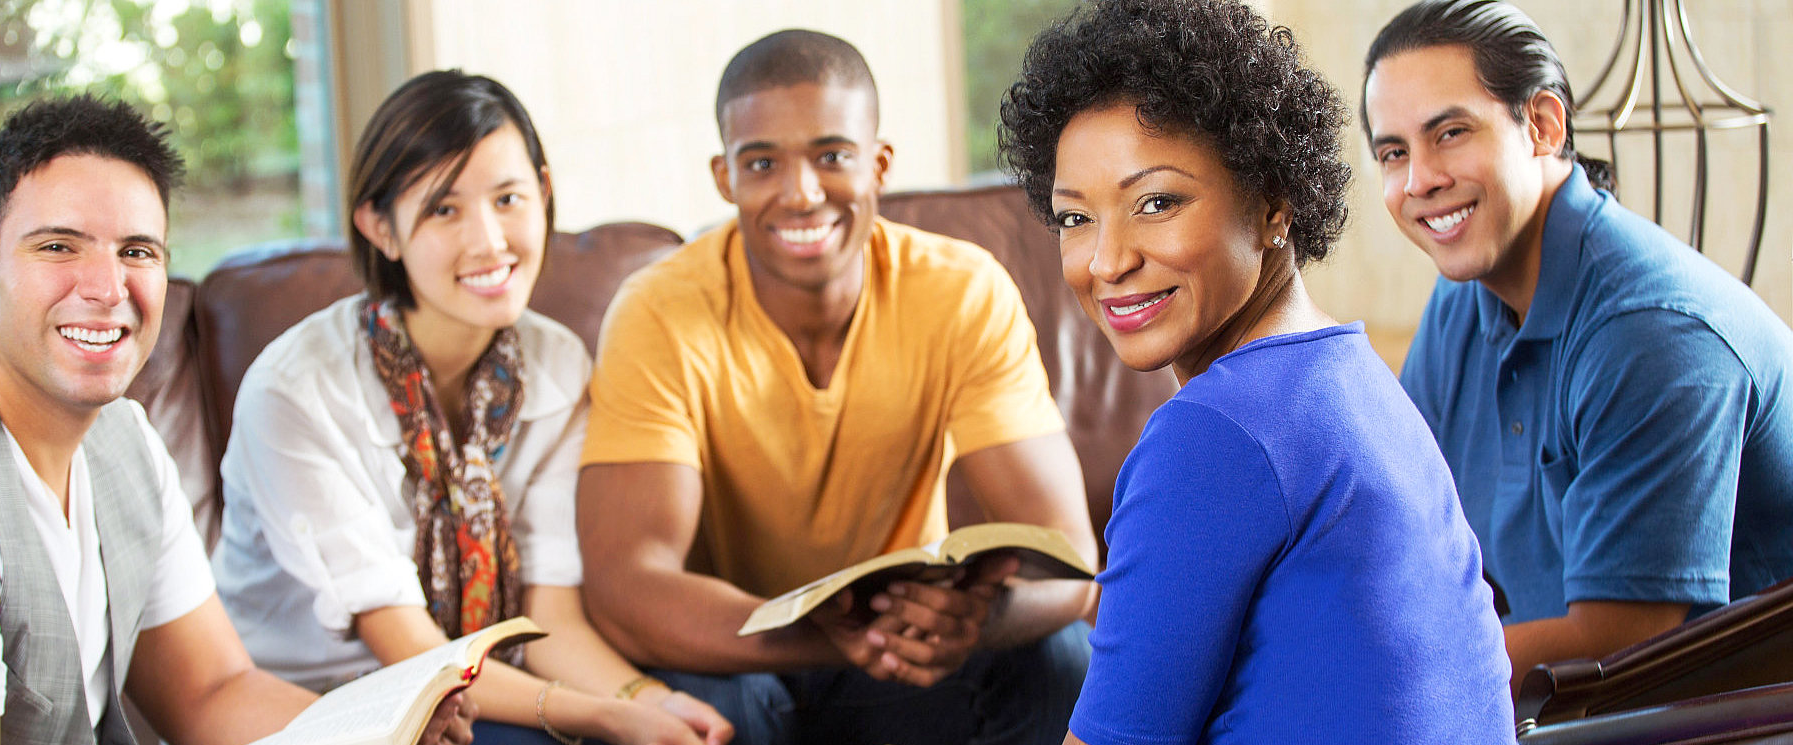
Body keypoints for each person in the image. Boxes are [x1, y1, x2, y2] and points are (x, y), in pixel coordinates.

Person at [0, 96, 473, 744]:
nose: (107, 288)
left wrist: (387, 728)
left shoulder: (124, 440)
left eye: (136, 251)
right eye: (58, 245)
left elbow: (211, 692)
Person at [998, 0, 1517, 741]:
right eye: (1075, 217)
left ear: (1274, 204)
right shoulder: (1354, 378)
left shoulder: (1213, 433)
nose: (1107, 260)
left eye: (1156, 202)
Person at [576, 29, 1098, 745]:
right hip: (732, 652)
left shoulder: (961, 291)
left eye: (831, 155)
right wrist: (839, 636)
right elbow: (625, 586)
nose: (801, 193)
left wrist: (970, 620)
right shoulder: (659, 310)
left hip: (902, 661)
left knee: (1058, 660)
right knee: (727, 709)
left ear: (878, 163)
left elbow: (1069, 557)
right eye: (762, 162)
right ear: (725, 178)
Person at [210, 71, 732, 745]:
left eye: (509, 198)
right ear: (380, 227)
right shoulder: (295, 391)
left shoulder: (556, 365)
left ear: (543, 193)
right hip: (316, 706)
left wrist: (651, 700)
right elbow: (406, 646)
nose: (490, 241)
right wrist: (608, 716)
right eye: (444, 210)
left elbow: (551, 616)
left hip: (473, 681)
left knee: (738, 710)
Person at [1363, 0, 1793, 689]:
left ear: (1541, 125)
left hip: (1722, 710)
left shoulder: (1653, 333)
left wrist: (1379, 670)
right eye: (1394, 152)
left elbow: (1619, 640)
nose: (1420, 180)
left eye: (1449, 133)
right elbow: (1413, 529)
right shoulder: (1462, 298)